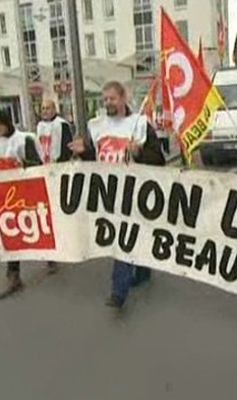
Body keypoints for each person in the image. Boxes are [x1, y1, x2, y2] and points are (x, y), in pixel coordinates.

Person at [69, 81, 165, 311]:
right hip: (108, 194)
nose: (108, 103)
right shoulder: (97, 126)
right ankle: (138, 274)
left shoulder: (140, 125)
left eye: (112, 98)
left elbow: (159, 160)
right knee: (124, 238)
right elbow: (95, 159)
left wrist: (140, 152)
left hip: (135, 192)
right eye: (105, 99)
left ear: (123, 99)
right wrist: (84, 153)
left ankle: (119, 291)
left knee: (125, 238)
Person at [0, 108, 45, 298]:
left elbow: (36, 164)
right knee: (10, 233)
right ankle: (13, 276)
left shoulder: (23, 139)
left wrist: (17, 167)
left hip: (26, 192)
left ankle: (51, 256)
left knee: (38, 228)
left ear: (4, 123)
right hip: (1, 196)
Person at [36, 99, 73, 164]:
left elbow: (68, 146)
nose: (45, 111)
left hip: (60, 163)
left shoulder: (62, 124)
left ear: (54, 110)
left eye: (47, 108)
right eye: (43, 108)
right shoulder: (40, 126)